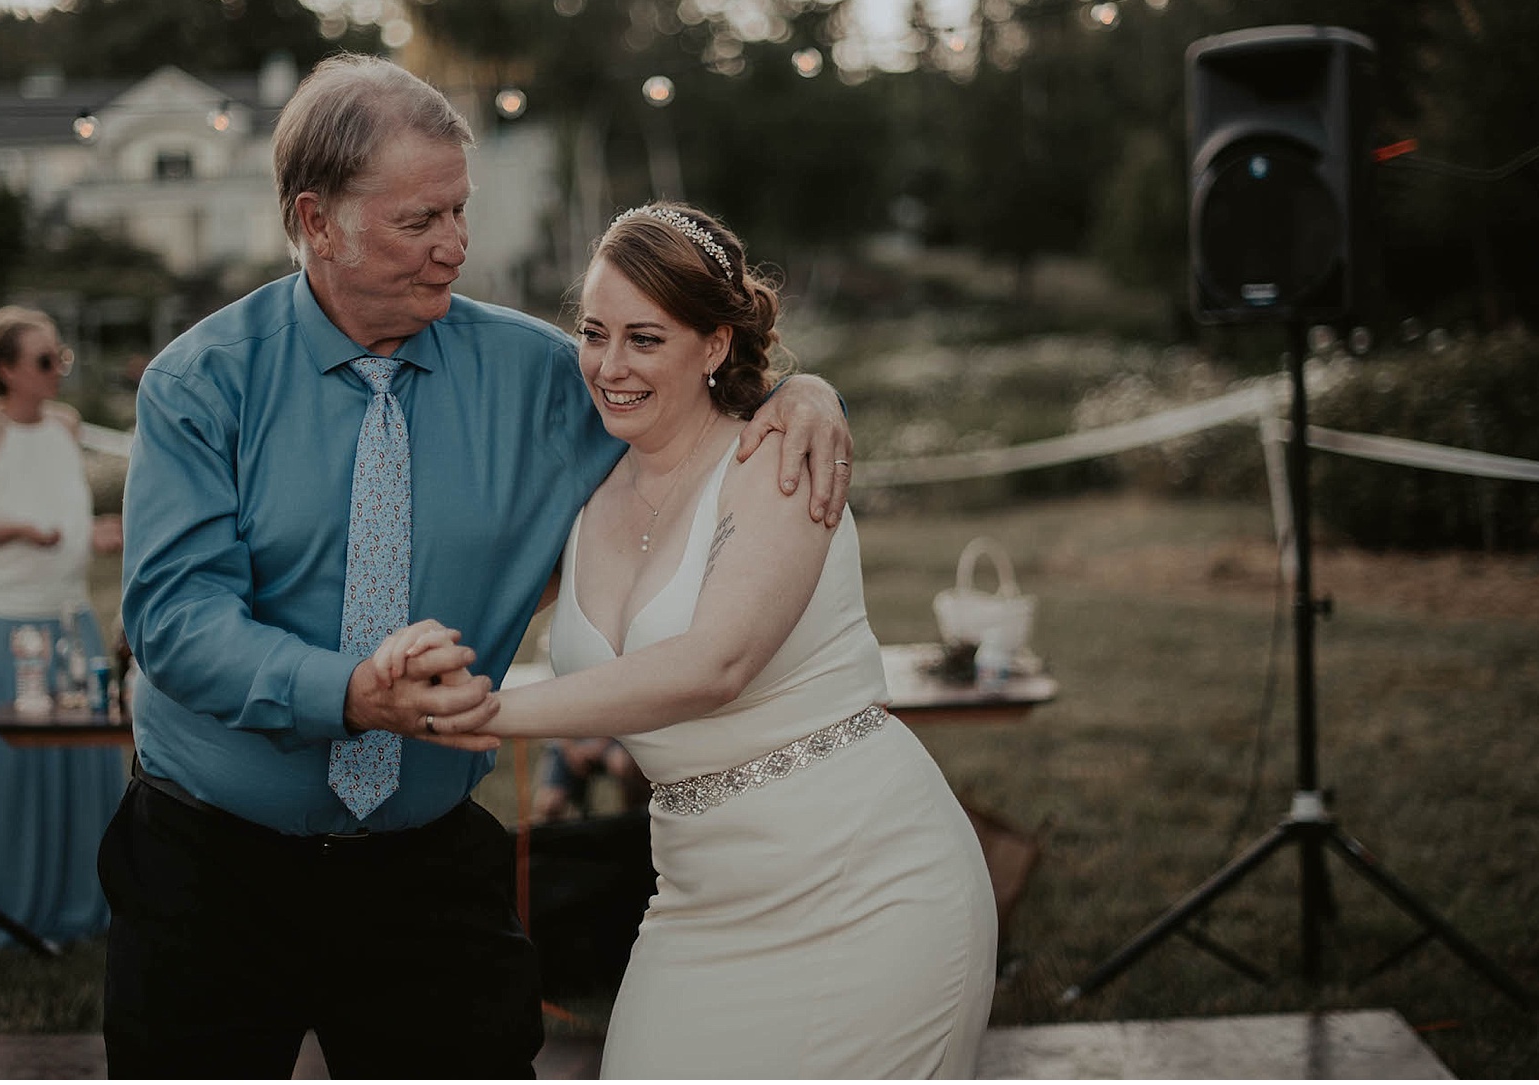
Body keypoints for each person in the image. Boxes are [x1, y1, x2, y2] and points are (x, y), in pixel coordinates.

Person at [103, 54, 853, 1079]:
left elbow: (695, 409)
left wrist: (803, 397)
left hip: (424, 865)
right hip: (209, 867)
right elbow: (177, 621)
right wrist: (350, 694)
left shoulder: (539, 378)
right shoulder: (201, 385)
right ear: (316, 221)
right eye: (420, 222)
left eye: (458, 211)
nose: (454, 247)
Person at [376, 202, 999, 1078]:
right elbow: (478, 602)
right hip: (697, 899)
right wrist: (406, 658)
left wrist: (488, 712)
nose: (609, 365)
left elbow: (715, 665)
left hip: (871, 885)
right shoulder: (585, 492)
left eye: (645, 338)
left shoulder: (775, 461)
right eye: (594, 333)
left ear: (713, 344)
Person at [0, 306, 126, 949]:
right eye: (43, 359)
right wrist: (15, 533)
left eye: (59, 355)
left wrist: (93, 537)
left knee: (77, 768)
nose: (57, 368)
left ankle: (74, 904)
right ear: (5, 370)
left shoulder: (63, 425)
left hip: (65, 616)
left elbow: (60, 516)